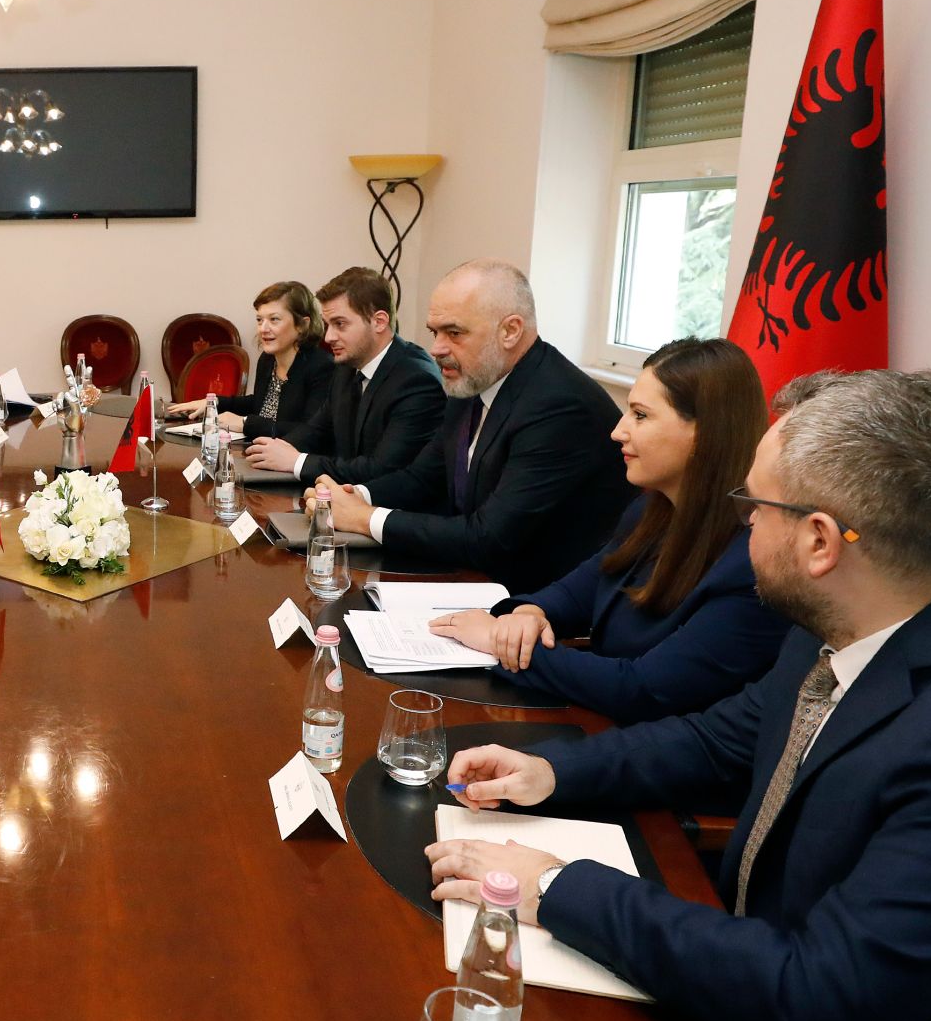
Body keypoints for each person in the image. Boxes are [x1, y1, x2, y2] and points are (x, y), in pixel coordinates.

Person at [427, 368, 931, 1021]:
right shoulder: (842, 622)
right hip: (729, 977)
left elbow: (816, 995)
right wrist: (553, 771)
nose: (741, 523)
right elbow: (719, 736)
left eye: (755, 506)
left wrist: (554, 886)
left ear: (820, 540)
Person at [429, 338, 788, 720]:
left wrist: (497, 642)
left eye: (640, 415)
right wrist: (528, 614)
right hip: (595, 722)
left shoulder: (751, 564)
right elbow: (574, 594)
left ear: (703, 433)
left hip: (648, 746)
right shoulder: (650, 512)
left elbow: (643, 690)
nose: (618, 431)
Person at [318, 259, 633, 590]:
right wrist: (352, 496)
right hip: (476, 574)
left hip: (538, 598)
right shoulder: (475, 378)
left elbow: (490, 537)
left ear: (510, 331)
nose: (437, 349)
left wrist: (365, 518)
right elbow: (424, 478)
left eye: (454, 333)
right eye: (435, 332)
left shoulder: (560, 405)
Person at [243, 266, 444, 484]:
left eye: (340, 324)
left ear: (379, 322)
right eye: (328, 325)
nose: (328, 337)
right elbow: (316, 430)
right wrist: (271, 452)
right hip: (340, 492)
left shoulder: (416, 380)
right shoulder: (347, 366)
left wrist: (297, 461)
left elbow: (381, 469)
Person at [167, 280, 332, 438]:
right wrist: (213, 403)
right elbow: (260, 403)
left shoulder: (322, 367)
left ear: (302, 325)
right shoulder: (267, 360)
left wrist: (245, 423)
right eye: (260, 320)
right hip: (260, 448)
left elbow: (311, 432)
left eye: (274, 319)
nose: (263, 329)